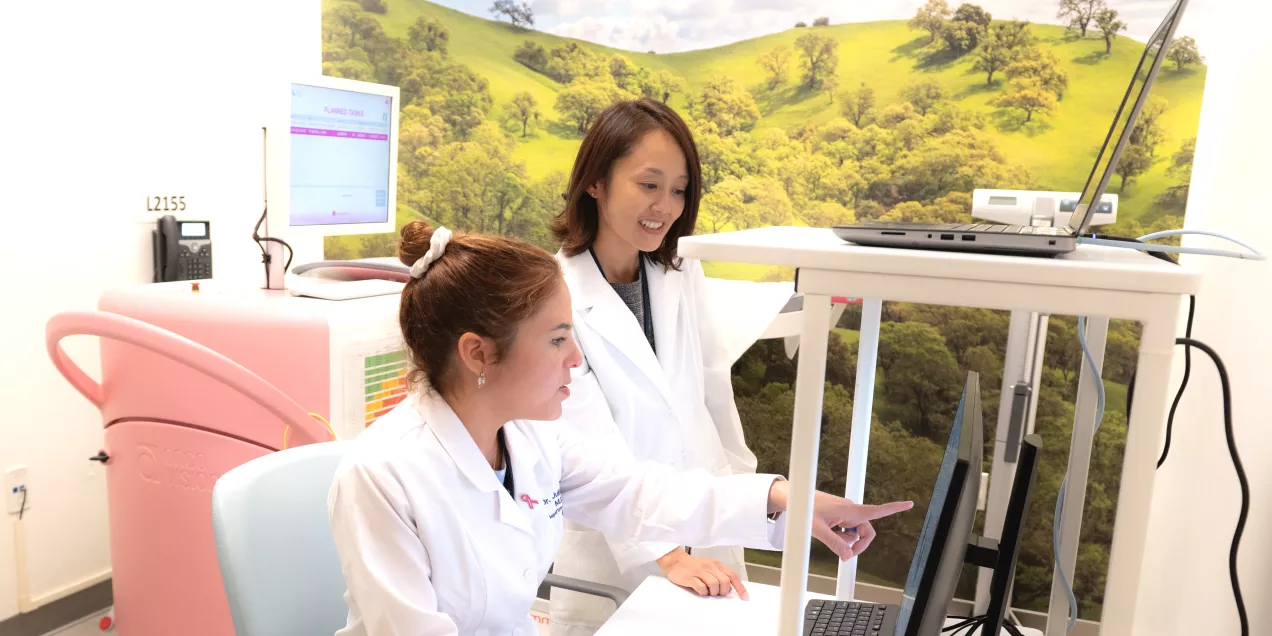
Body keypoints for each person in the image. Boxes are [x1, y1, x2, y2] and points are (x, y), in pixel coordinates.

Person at [326, 222, 912, 636]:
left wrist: (790, 500)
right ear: (478, 354)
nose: (575, 360)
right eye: (557, 338)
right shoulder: (383, 477)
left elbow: (638, 493)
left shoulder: (527, 437)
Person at [548, 99, 797, 635]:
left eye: (679, 189)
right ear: (595, 182)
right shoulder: (556, 297)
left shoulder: (679, 270)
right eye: (649, 184)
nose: (666, 205)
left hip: (704, 515)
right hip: (620, 552)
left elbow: (711, 383)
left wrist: (741, 485)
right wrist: (668, 556)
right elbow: (590, 446)